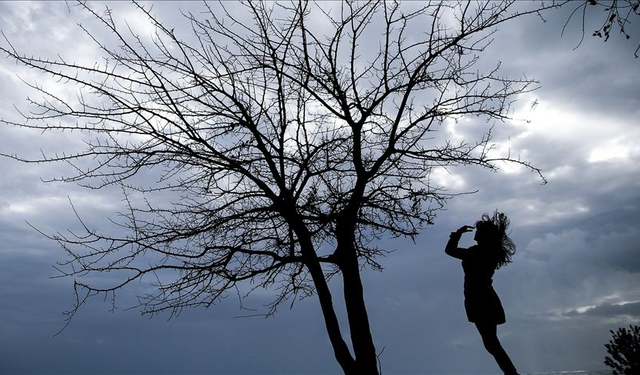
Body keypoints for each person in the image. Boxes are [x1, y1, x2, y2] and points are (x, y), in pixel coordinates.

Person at [445, 211, 519, 375]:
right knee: (491, 342)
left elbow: (450, 251)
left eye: (479, 230)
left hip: (480, 299)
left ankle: (512, 373)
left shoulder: (477, 252)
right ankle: (511, 373)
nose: (476, 231)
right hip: (482, 297)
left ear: (484, 235)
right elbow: (451, 251)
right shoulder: (487, 252)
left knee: (491, 343)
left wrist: (457, 234)